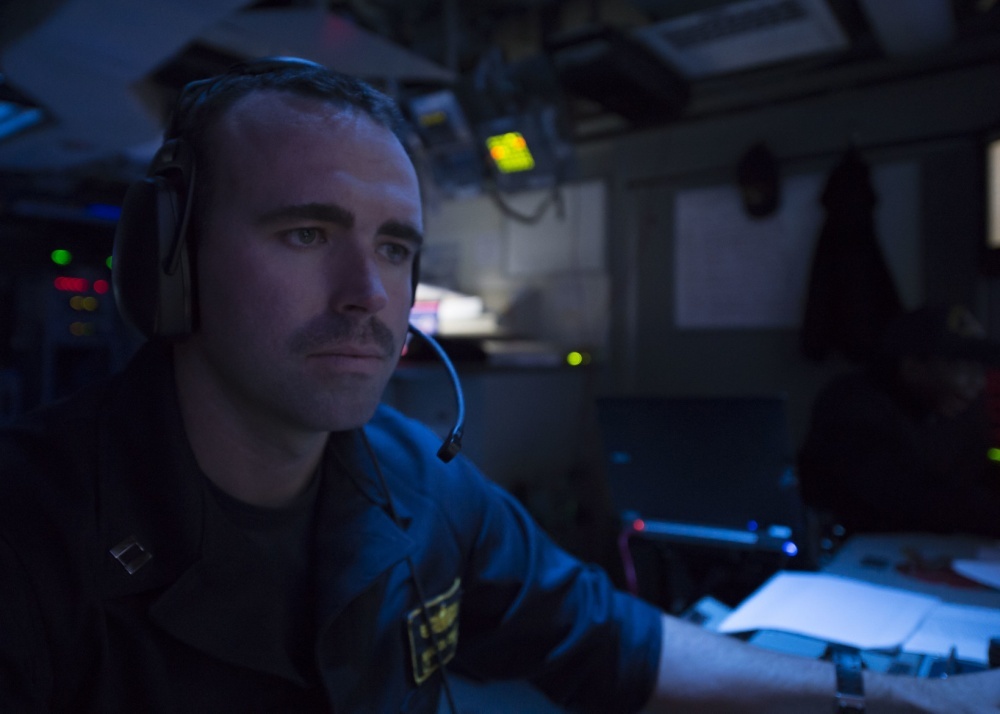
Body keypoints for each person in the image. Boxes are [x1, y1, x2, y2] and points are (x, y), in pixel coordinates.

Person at [0, 58, 997, 713]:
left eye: (393, 248)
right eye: (303, 233)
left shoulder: (424, 484)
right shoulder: (30, 533)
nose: (368, 296)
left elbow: (619, 646)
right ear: (167, 262)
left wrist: (885, 695)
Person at [799, 303, 1000, 539]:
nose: (978, 382)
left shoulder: (959, 409)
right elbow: (908, 497)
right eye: (963, 367)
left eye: (981, 369)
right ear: (913, 366)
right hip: (853, 553)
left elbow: (976, 473)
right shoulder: (851, 404)